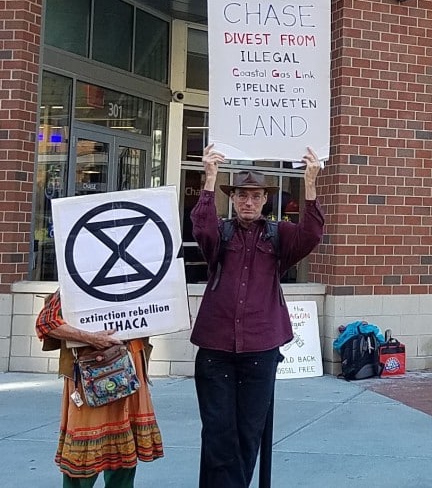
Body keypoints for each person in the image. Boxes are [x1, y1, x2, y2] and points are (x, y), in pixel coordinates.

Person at [191, 143, 324, 488]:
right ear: (232, 199)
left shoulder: (279, 235)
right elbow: (201, 230)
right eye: (241, 196)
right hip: (215, 349)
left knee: (249, 434)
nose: (248, 202)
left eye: (255, 196)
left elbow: (311, 235)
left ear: (265, 199)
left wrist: (310, 185)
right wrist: (209, 180)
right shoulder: (221, 232)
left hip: (260, 350)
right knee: (218, 434)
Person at [36, 291, 163, 487]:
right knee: (82, 459)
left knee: (124, 456)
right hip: (91, 375)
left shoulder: (138, 281)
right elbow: (46, 323)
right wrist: (89, 337)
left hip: (130, 370)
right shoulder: (78, 280)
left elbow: (164, 312)